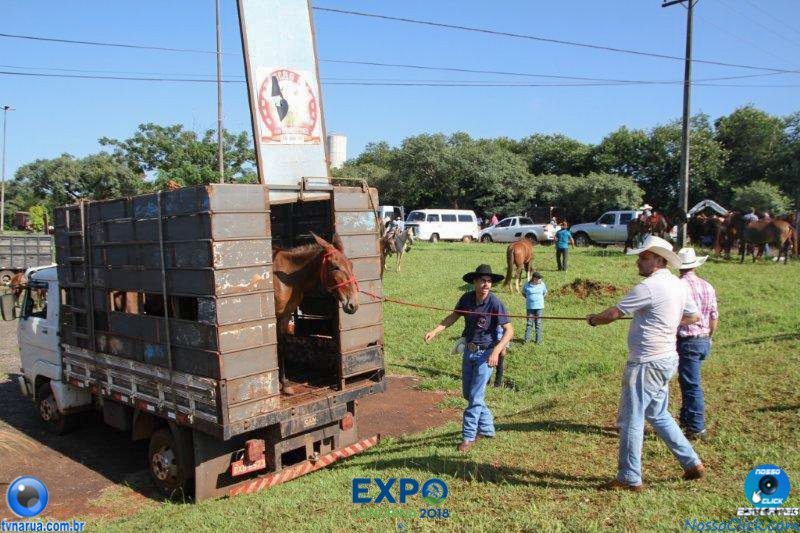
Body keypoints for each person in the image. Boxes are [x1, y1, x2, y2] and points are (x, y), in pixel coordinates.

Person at [586, 235, 705, 491]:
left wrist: (594, 319)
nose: (638, 262)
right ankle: (691, 462)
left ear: (660, 260)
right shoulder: (678, 285)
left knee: (631, 419)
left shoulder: (648, 287)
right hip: (666, 359)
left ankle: (629, 477)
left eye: (644, 257)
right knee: (658, 414)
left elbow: (613, 314)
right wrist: (667, 323)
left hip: (645, 362)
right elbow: (694, 316)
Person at [424, 264, 513, 452]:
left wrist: (496, 351)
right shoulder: (466, 299)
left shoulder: (495, 303)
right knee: (470, 394)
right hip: (469, 351)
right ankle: (487, 430)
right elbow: (453, 317)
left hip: (487, 354)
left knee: (475, 397)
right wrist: (435, 331)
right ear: (475, 282)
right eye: (482, 280)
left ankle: (468, 437)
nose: (486, 284)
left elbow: (509, 331)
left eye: (489, 281)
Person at [676, 247, 718, 441]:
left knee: (691, 385)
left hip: (687, 340)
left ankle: (696, 427)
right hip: (703, 339)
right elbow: (713, 316)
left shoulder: (677, 287)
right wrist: (709, 336)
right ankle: (686, 419)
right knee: (688, 382)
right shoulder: (707, 286)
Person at [522, 272, 547, 344]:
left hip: (539, 308)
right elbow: (523, 293)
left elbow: (545, 293)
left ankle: (538, 341)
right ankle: (526, 341)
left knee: (538, 324)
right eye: (539, 278)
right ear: (534, 278)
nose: (540, 279)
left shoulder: (542, 284)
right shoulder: (527, 285)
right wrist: (530, 299)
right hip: (530, 308)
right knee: (529, 323)